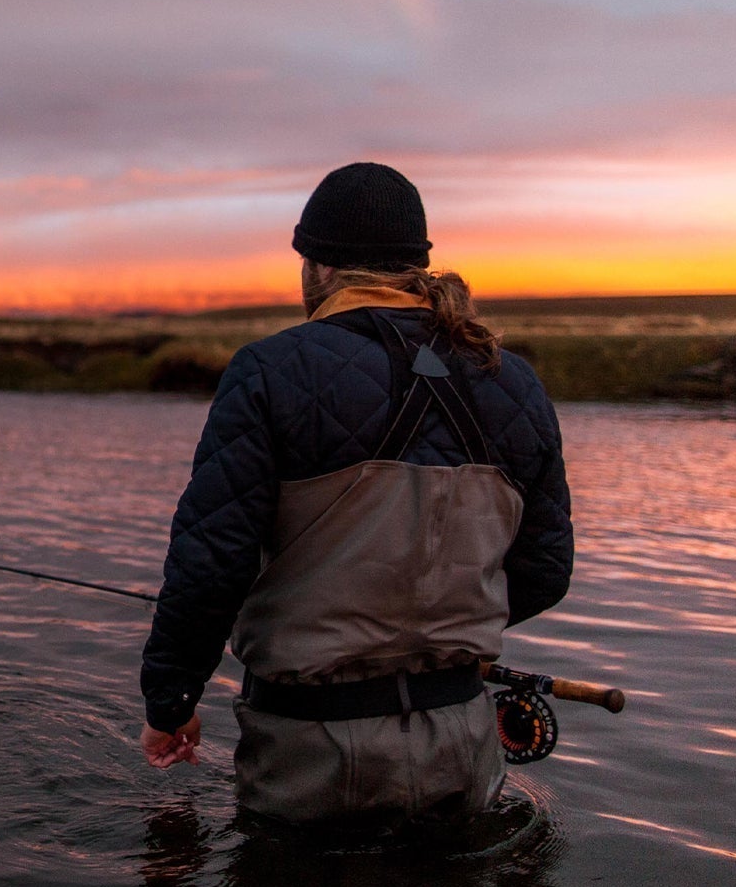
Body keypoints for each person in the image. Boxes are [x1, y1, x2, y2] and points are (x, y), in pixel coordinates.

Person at [137, 161, 573, 825]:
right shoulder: (513, 381)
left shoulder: (269, 370)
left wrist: (169, 706)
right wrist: (429, 641)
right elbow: (544, 572)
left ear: (320, 267)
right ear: (415, 264)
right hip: (465, 743)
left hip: (311, 757)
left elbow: (209, 567)